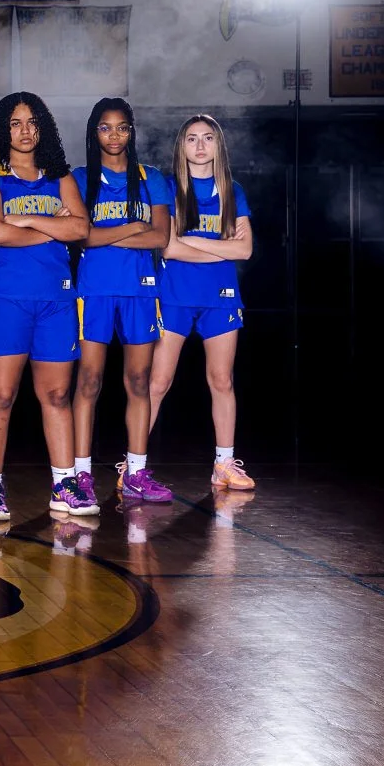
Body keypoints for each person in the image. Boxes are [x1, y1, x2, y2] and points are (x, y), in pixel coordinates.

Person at [0, 92, 91, 521]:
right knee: (0, 394)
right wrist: (54, 226)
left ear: (45, 128)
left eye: (33, 122)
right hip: (4, 295)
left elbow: (81, 228)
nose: (25, 131)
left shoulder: (60, 175)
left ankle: (64, 484)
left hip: (56, 297)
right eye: (16, 123)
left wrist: (28, 220)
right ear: (3, 128)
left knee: (57, 394)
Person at [73, 98, 175, 506]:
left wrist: (111, 231)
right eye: (105, 127)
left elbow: (160, 237)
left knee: (137, 382)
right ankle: (80, 474)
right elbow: (82, 237)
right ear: (94, 132)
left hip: (141, 288)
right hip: (94, 289)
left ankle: (136, 472)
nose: (114, 135)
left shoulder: (151, 178)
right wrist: (133, 225)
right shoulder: (80, 178)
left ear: (132, 132)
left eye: (122, 128)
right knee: (89, 381)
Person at [150, 114, 255, 491]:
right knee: (158, 382)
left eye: (207, 138)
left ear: (218, 145)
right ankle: (134, 466)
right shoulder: (167, 189)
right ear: (181, 146)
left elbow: (245, 249)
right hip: (175, 294)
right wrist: (222, 249)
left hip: (220, 296)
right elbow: (168, 246)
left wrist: (193, 246)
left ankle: (223, 464)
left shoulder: (232, 191)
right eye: (191, 138)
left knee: (222, 379)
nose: (199, 145)